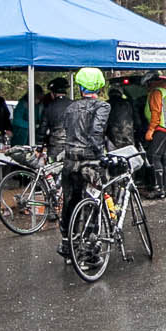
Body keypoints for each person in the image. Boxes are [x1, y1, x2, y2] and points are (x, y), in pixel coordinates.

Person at [56, 68, 111, 261]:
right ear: (100, 86)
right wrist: (101, 155)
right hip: (90, 162)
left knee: (70, 202)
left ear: (80, 87)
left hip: (70, 161)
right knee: (93, 203)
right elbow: (96, 132)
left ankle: (67, 242)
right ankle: (90, 250)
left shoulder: (70, 107)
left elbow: (66, 130)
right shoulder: (102, 107)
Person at [142, 74, 166, 201]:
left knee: (154, 156)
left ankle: (158, 189)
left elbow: (156, 112)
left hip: (162, 128)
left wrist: (151, 130)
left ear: (151, 83)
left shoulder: (156, 92)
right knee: (165, 156)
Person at [40, 78, 73, 161]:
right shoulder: (74, 105)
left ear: (53, 93)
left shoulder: (49, 107)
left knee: (52, 166)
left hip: (54, 147)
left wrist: (39, 145)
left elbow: (42, 130)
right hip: (72, 145)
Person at [105, 84, 139, 152]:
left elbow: (103, 124)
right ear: (121, 93)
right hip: (128, 136)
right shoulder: (128, 103)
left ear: (109, 93)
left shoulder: (106, 105)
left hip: (113, 139)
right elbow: (137, 121)